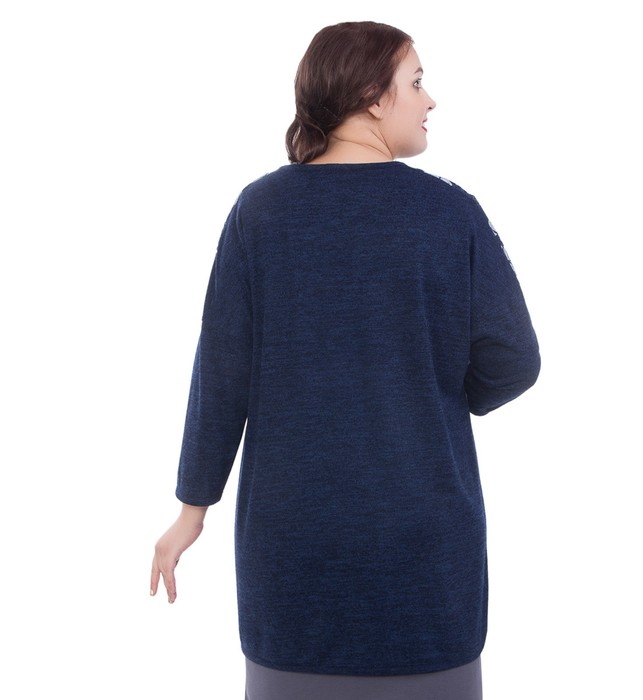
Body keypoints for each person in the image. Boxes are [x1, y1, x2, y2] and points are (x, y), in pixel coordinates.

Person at [151, 20, 540, 700]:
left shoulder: (260, 213)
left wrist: (193, 508)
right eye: (416, 82)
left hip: (293, 555)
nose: (430, 99)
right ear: (371, 97)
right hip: (425, 559)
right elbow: (514, 359)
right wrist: (436, 393)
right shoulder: (450, 215)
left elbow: (222, 374)